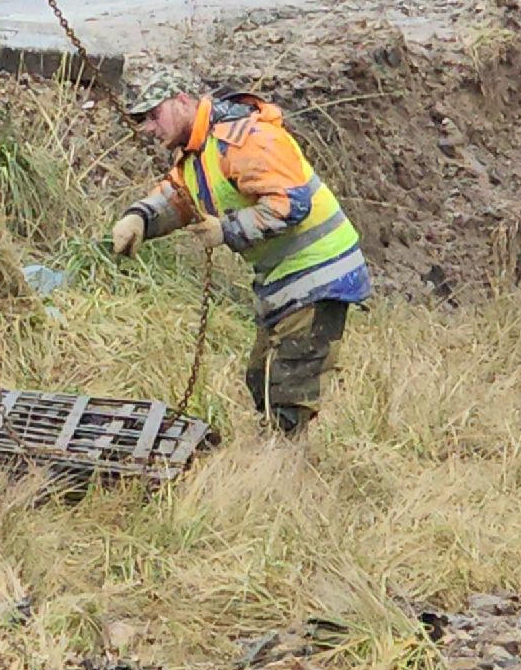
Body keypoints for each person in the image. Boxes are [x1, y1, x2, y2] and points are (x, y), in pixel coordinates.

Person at [109, 73, 371, 435]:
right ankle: (275, 464)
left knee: (287, 391)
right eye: (142, 122)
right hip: (287, 281)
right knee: (262, 378)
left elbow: (290, 204)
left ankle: (284, 473)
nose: (148, 129)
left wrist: (226, 229)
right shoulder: (199, 152)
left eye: (154, 115)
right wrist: (140, 218)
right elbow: (178, 197)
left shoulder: (243, 138)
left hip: (319, 274)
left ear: (183, 101)